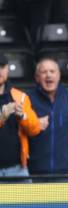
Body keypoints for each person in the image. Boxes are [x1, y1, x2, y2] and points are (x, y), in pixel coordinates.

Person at [0, 54, 41, 182]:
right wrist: (2, 118)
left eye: (1, 66)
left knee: (24, 203)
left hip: (17, 170)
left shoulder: (20, 97)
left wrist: (22, 116)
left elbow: (35, 129)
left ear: (7, 69)